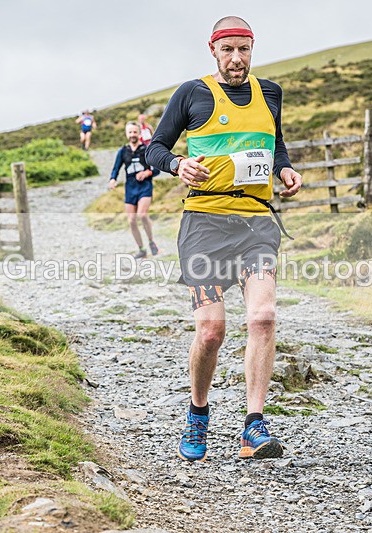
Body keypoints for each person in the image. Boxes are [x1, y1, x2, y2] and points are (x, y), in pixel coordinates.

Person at [145, 15, 302, 462]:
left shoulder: (269, 93)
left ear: (253, 49)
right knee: (212, 331)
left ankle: (253, 426)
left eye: (245, 49)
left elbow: (275, 144)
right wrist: (177, 165)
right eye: (228, 49)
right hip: (205, 224)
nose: (237, 58)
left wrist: (283, 168)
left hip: (256, 221)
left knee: (264, 317)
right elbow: (155, 147)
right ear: (213, 50)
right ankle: (198, 412)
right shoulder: (192, 93)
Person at [110, 121, 161, 259]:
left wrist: (146, 173)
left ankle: (151, 242)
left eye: (135, 132)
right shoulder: (123, 151)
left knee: (142, 215)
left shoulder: (146, 149)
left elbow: (156, 170)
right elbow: (116, 168)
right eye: (130, 132)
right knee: (131, 220)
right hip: (130, 188)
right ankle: (141, 249)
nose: (132, 134)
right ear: (127, 134)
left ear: (139, 133)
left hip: (145, 187)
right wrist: (113, 179)